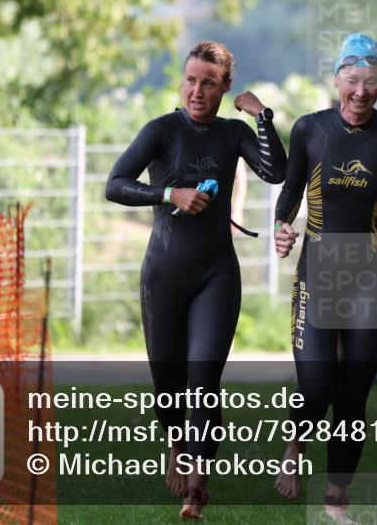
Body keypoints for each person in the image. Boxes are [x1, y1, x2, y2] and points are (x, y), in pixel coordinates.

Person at [105, 41, 287, 520]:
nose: (197, 91)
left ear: (226, 87)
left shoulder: (232, 134)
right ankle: (177, 446)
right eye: (191, 79)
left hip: (215, 275)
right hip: (162, 275)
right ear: (182, 81)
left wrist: (262, 115)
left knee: (203, 378)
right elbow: (115, 183)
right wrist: (169, 194)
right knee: (168, 386)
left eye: (209, 82)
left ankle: (197, 483)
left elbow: (276, 170)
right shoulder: (162, 130)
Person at [271, 33, 377, 524]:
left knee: (354, 392)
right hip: (319, 268)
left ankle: (335, 499)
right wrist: (282, 228)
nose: (362, 92)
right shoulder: (309, 129)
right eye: (353, 81)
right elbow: (290, 195)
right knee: (318, 383)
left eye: (371, 82)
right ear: (337, 81)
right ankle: (296, 443)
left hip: (369, 273)